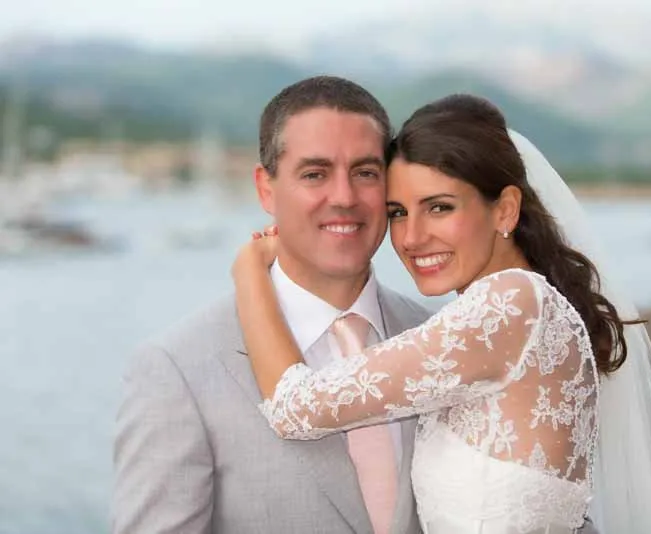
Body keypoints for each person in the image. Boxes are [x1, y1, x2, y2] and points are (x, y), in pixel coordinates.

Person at [233, 94, 651, 533]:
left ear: (505, 211)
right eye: (398, 213)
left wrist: (251, 269)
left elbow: (295, 408)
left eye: (439, 207)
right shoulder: (529, 309)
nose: (413, 238)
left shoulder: (509, 305)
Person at [112, 76, 432, 534]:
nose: (343, 197)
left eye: (365, 172)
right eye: (314, 174)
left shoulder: (441, 335)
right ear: (266, 189)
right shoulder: (176, 369)